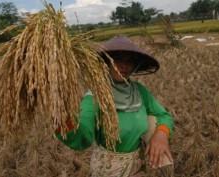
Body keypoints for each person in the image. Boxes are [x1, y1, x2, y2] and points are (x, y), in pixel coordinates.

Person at [55, 35, 173, 177]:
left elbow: (163, 115)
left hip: (137, 167)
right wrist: (63, 117)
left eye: (130, 61)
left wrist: (161, 134)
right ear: (105, 62)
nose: (124, 65)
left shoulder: (139, 91)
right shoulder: (96, 96)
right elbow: (83, 136)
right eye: (118, 59)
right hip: (107, 171)